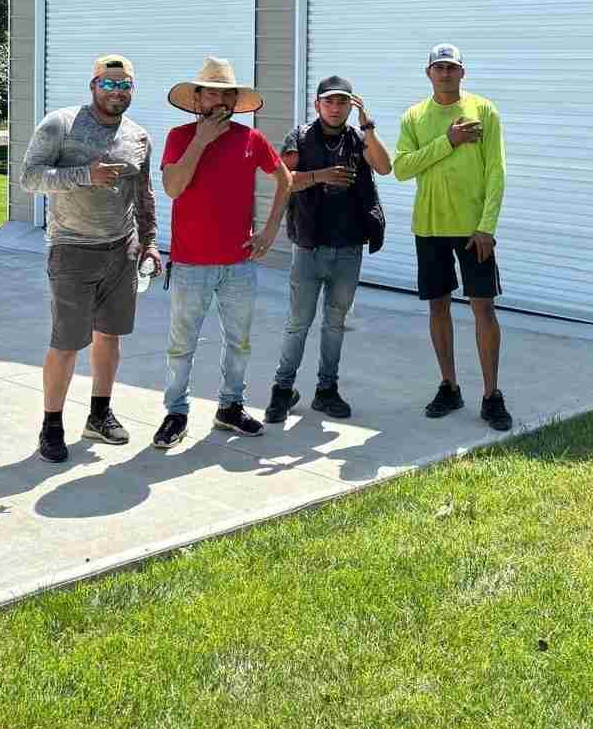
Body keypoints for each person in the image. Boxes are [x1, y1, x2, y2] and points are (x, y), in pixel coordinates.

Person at [20, 53, 161, 463]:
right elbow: (30, 177)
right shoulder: (60, 124)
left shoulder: (138, 136)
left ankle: (99, 414)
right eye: (109, 83)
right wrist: (85, 173)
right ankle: (51, 426)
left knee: (109, 336)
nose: (117, 91)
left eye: (125, 85)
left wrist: (149, 242)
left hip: (122, 250)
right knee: (66, 342)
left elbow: (143, 194)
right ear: (93, 85)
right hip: (72, 248)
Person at [152, 57, 292, 449]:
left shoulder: (251, 140)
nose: (220, 99)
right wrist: (202, 140)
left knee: (239, 342)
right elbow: (173, 188)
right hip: (191, 263)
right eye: (212, 91)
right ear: (197, 97)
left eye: (227, 92)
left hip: (238, 264)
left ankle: (230, 408)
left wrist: (269, 229)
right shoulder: (179, 137)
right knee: (182, 345)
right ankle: (176, 413)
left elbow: (285, 178)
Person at [392, 43, 512, 431]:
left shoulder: (484, 110)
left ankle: (492, 395)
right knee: (437, 307)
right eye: (438, 68)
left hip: (472, 230)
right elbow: (402, 169)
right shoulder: (414, 116)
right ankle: (450, 386)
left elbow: (497, 171)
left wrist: (486, 226)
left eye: (451, 68)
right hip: (429, 227)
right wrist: (449, 141)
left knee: (483, 308)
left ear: (463, 72)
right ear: (428, 73)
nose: (445, 74)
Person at [265, 75, 392, 424]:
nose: (336, 109)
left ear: (352, 106)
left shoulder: (357, 137)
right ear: (317, 104)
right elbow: (283, 178)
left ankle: (326, 390)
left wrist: (368, 125)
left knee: (335, 323)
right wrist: (321, 175)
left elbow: (384, 166)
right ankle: (282, 390)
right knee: (298, 323)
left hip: (349, 248)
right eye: (329, 102)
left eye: (343, 102)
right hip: (309, 247)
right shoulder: (300, 138)